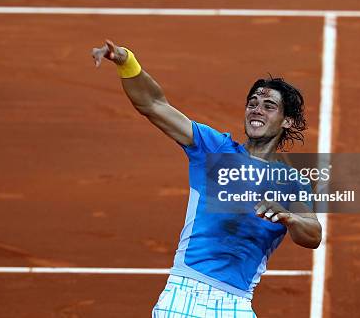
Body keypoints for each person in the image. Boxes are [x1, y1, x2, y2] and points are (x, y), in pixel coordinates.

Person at [91, 40, 322, 317]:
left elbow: (313, 235)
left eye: (269, 105)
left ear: (287, 121)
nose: (256, 109)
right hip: (182, 296)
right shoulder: (214, 149)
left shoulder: (293, 182)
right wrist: (126, 61)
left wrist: (288, 217)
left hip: (236, 304)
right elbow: (153, 104)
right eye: (253, 103)